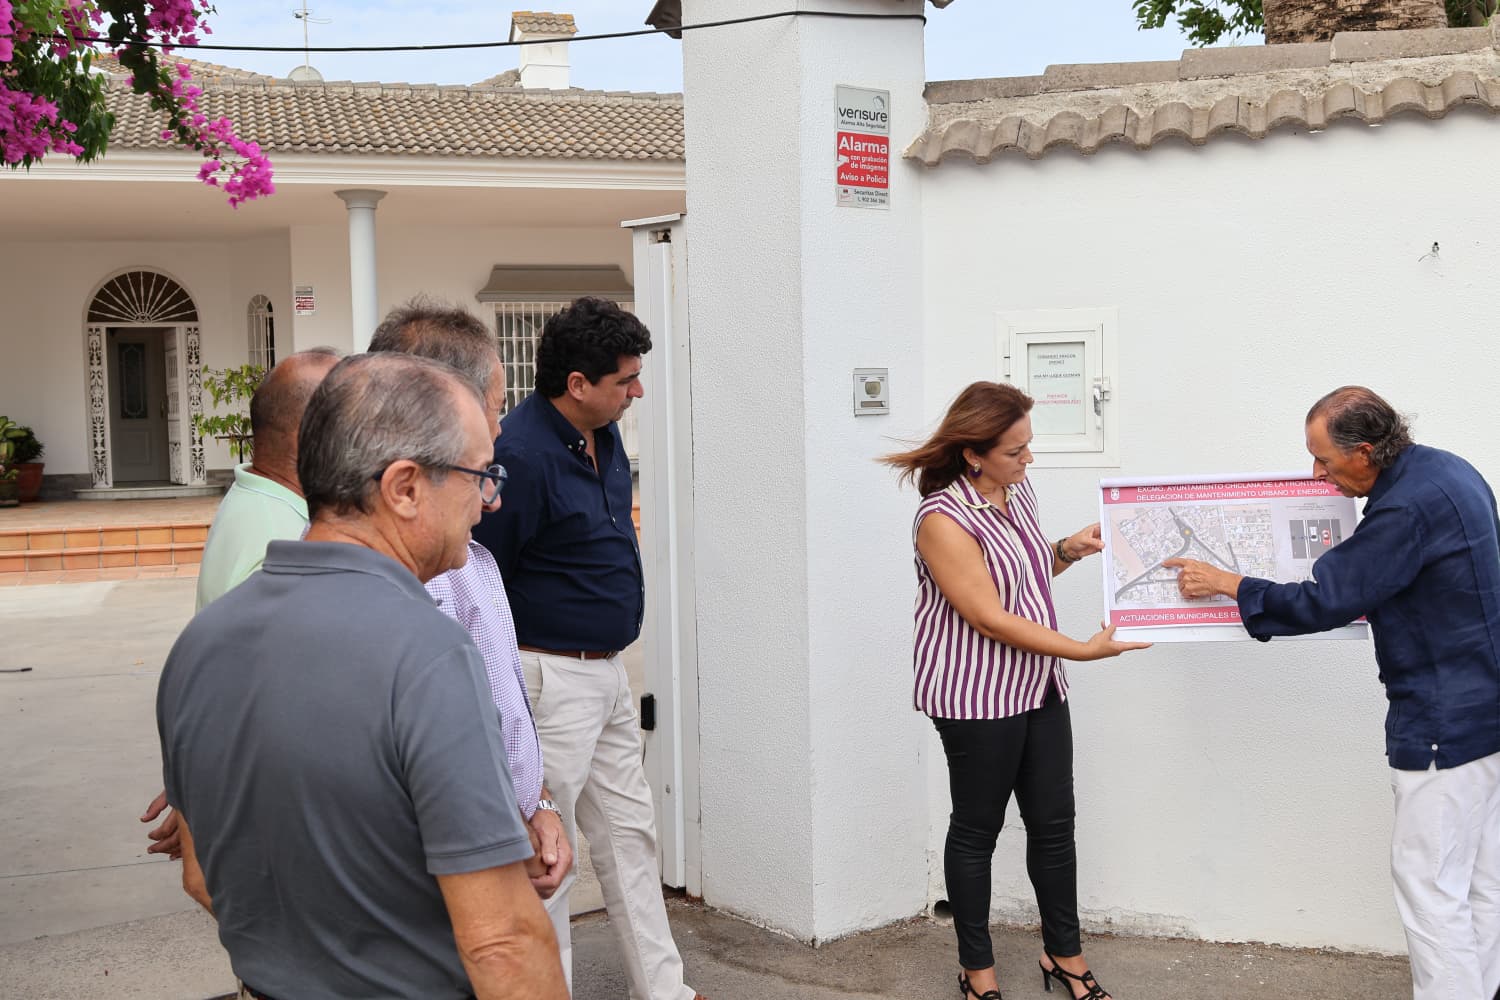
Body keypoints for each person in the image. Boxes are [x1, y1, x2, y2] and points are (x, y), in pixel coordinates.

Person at [156, 353, 567, 999]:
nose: (489, 501)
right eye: (480, 475)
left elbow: (201, 878)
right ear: (404, 487)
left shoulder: (200, 643)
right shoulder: (428, 653)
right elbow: (502, 941)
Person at [1166, 386, 1500, 1000]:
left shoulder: (1403, 509)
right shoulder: (1449, 469)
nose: (1316, 474)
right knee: (1479, 881)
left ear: (1367, 451)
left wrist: (1229, 582)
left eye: (1323, 460)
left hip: (1441, 723)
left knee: (1429, 886)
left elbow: (1327, 599)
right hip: (1485, 711)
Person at [880, 381, 1149, 1000]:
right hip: (976, 697)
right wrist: (1084, 649)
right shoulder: (941, 519)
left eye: (1030, 448)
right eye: (1015, 452)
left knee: (1055, 827)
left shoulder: (1015, 491)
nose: (1029, 462)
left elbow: (1023, 572)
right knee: (977, 831)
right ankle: (979, 976)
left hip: (1038, 684)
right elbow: (988, 615)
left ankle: (1066, 959)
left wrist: (1067, 550)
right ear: (973, 452)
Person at [472, 296, 706, 1000]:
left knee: (632, 836)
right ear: (577, 384)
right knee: (548, 857)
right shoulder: (518, 455)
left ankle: (664, 992)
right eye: (625, 380)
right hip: (546, 680)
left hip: (604, 676)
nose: (637, 391)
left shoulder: (599, 434)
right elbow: (484, 578)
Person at [368, 299, 575, 990]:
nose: (501, 417)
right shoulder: (403, 590)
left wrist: (537, 803)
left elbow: (502, 711)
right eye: (493, 402)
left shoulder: (467, 559)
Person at [142, 347, 340, 859]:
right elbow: (252, 694)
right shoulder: (286, 537)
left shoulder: (265, 505)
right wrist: (201, 799)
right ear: (311, 437)